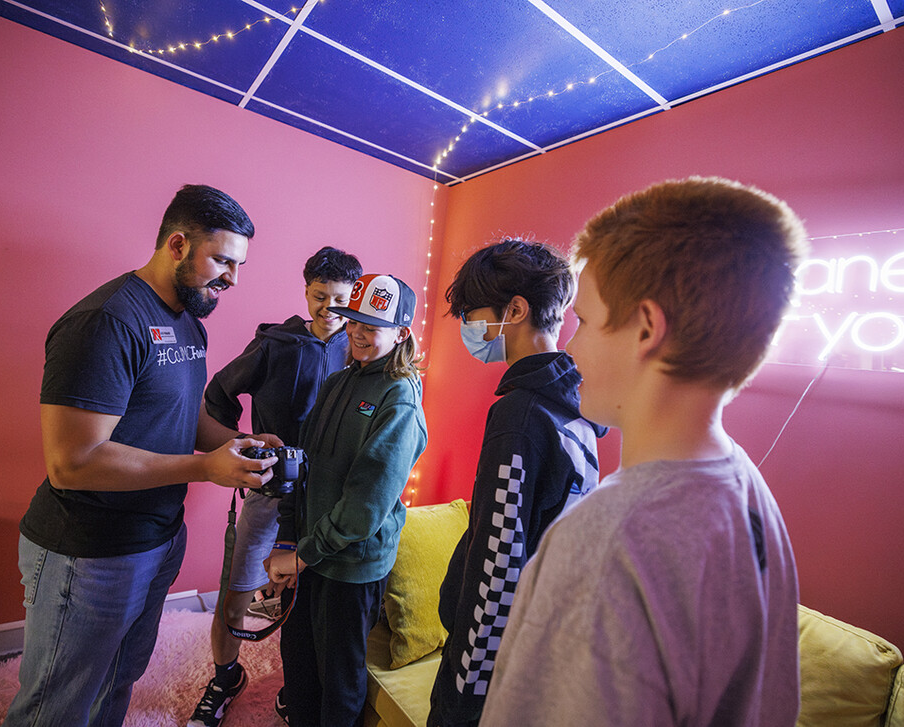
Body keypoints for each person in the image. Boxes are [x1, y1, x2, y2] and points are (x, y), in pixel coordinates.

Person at [480, 177, 807, 726]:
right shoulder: (747, 486)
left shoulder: (605, 541)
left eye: (583, 320)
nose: (571, 344)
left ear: (647, 328)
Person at [3, 184, 282, 727]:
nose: (232, 278)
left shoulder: (189, 325)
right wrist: (205, 468)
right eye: (223, 260)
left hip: (157, 538)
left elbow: (181, 414)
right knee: (55, 707)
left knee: (117, 682)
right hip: (88, 552)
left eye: (239, 264)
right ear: (177, 245)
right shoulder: (106, 322)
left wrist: (233, 441)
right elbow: (73, 463)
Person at [427, 238, 606, 727]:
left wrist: (465, 684)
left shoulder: (520, 413)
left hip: (494, 660)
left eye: (472, 313)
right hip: (541, 642)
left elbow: (499, 559)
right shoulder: (580, 405)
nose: (468, 327)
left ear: (516, 309)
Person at [186, 246, 363, 727]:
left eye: (340, 299)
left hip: (328, 499)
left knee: (312, 600)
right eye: (319, 296)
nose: (329, 308)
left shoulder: (360, 349)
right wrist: (240, 447)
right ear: (306, 292)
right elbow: (219, 392)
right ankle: (225, 676)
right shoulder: (275, 345)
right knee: (237, 589)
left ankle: (300, 685)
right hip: (271, 491)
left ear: (356, 298)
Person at [266, 273, 428, 726]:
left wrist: (301, 556)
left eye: (371, 326)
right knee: (298, 662)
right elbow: (308, 465)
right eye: (353, 321)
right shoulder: (339, 381)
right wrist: (287, 540)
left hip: (350, 565)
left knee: (339, 680)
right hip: (308, 552)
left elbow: (365, 506)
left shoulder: (400, 399)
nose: (356, 332)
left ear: (401, 333)